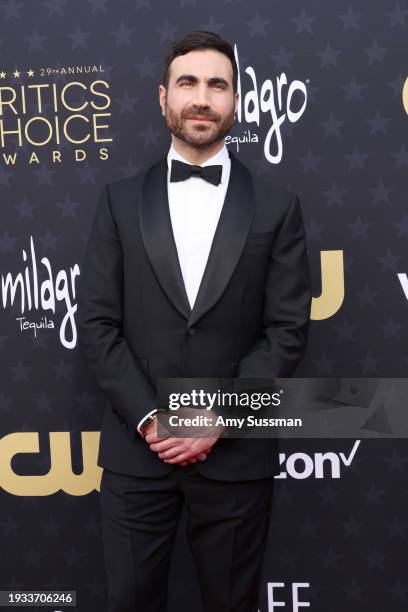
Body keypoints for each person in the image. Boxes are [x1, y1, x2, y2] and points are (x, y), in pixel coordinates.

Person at [77, 30, 312, 612]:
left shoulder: (278, 206)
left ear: (237, 100)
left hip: (235, 458)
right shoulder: (117, 201)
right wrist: (154, 420)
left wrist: (217, 419)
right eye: (188, 83)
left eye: (217, 84)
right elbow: (99, 326)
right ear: (163, 98)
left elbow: (287, 331)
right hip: (138, 457)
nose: (201, 97)